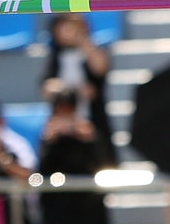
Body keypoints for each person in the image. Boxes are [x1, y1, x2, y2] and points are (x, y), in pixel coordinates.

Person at [39, 89, 111, 224]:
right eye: (60, 112)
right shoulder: (49, 139)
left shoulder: (88, 136)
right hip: (57, 221)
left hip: (87, 219)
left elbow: (103, 168)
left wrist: (89, 140)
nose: (65, 117)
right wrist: (49, 142)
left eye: (69, 111)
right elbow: (40, 176)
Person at [42, 13, 115, 167]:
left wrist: (81, 36)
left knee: (101, 166)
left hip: (92, 122)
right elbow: (46, 87)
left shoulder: (92, 52)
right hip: (63, 126)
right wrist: (67, 90)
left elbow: (100, 68)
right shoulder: (56, 56)